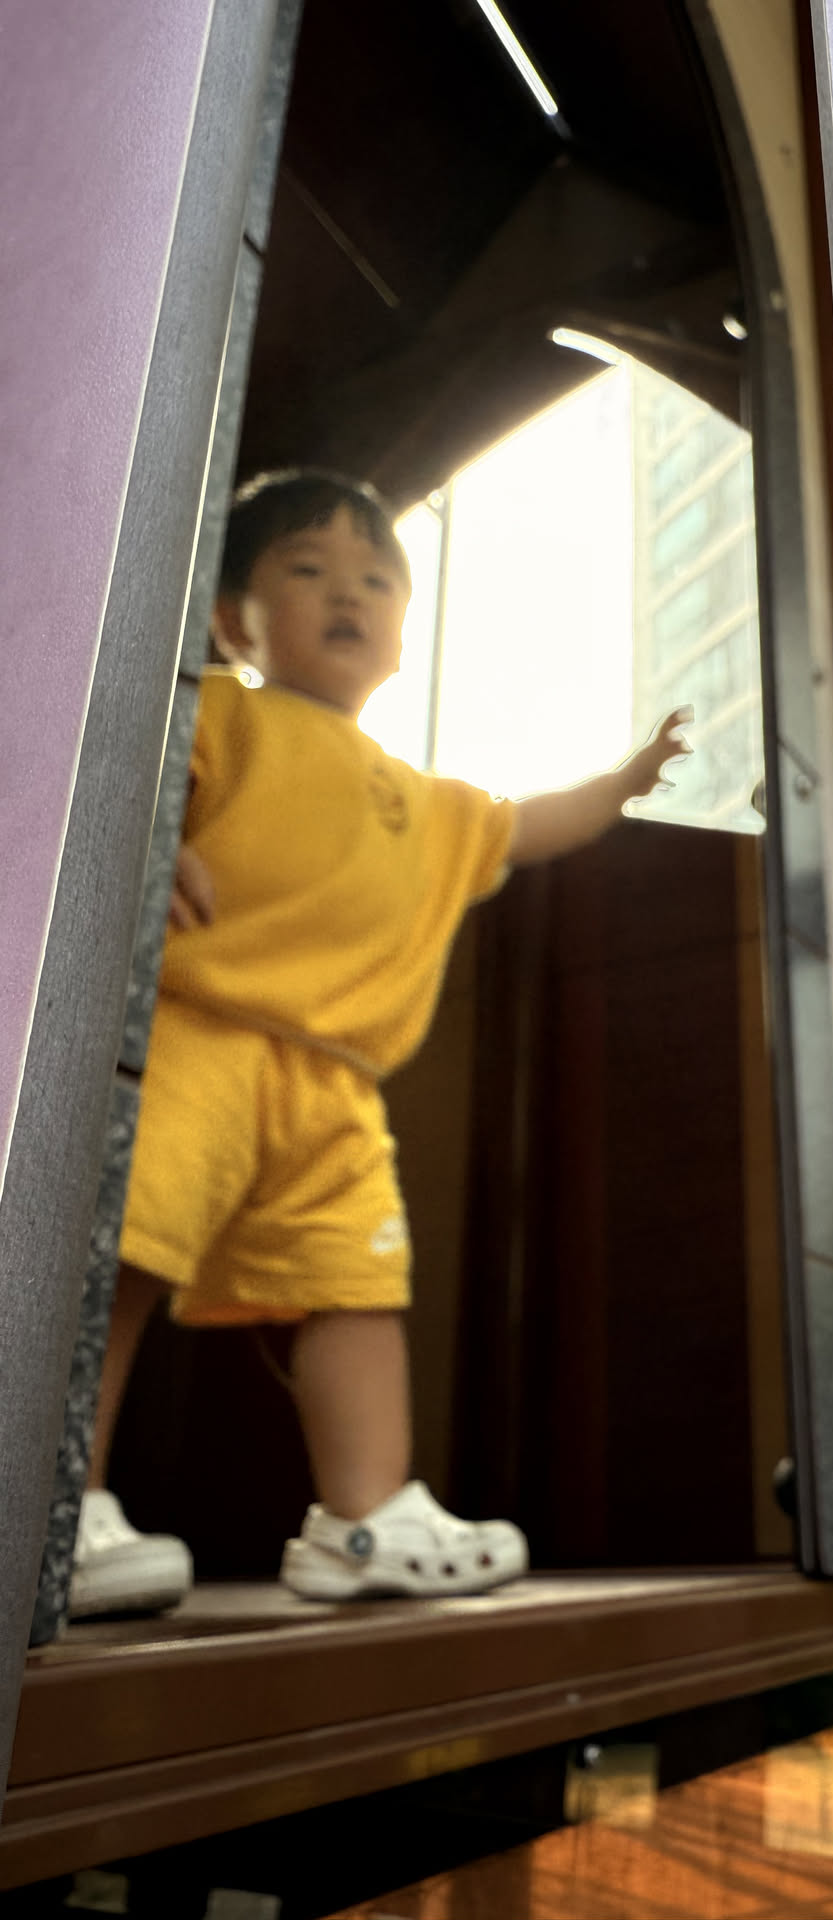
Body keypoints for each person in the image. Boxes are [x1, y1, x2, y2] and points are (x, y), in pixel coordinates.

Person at [71, 468, 690, 1616]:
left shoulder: (429, 801)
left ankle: (364, 1520)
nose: (347, 593)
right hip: (199, 1040)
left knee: (358, 1288)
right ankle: (55, 1497)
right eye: (308, 570)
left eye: (375, 580)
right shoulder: (218, 712)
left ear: (401, 638)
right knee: (120, 1260)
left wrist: (621, 783)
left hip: (340, 1090)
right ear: (233, 620)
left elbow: (527, 825)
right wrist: (152, 841)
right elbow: (113, 778)